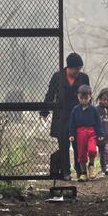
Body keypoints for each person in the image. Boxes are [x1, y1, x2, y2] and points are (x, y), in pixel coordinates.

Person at [40, 52, 90, 181]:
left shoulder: (84, 78)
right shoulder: (58, 77)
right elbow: (50, 94)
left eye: (80, 68)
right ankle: (65, 172)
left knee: (79, 145)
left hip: (79, 116)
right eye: (76, 69)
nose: (78, 71)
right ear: (69, 67)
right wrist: (44, 111)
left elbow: (88, 96)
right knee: (63, 145)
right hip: (61, 116)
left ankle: (80, 172)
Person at [68, 85, 104, 182]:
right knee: (81, 154)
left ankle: (91, 165)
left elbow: (98, 123)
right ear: (78, 97)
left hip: (91, 132)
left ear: (90, 97)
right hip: (80, 133)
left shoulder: (93, 109)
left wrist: (100, 134)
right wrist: (71, 134)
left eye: (86, 98)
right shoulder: (75, 109)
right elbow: (72, 123)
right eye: (81, 98)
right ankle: (83, 173)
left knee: (92, 150)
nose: (84, 100)